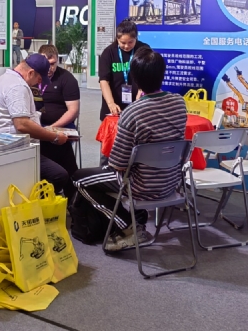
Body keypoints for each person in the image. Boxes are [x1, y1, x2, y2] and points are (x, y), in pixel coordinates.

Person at [72, 47, 187, 251]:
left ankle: (128, 225)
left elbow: (117, 165)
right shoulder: (179, 103)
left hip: (140, 187)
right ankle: (135, 218)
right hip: (171, 183)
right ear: (162, 74)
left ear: (135, 79)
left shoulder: (132, 112)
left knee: (79, 179)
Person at [0, 54, 74, 199]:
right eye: (39, 79)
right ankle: (40, 204)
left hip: (16, 141)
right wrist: (53, 137)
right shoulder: (17, 87)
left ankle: (74, 201)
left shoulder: (7, 77)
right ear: (31, 73)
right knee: (59, 175)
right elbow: (22, 125)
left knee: (64, 150)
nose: (38, 84)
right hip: (14, 147)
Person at [36, 44, 80, 176]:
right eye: (47, 64)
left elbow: (73, 111)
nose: (50, 68)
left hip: (61, 125)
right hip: (36, 123)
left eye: (53, 63)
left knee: (53, 143)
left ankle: (59, 177)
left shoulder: (67, 79)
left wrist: (51, 128)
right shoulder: (32, 77)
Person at [98, 19, 150, 120]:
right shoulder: (108, 53)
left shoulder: (143, 50)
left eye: (130, 42)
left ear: (136, 38)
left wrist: (141, 90)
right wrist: (111, 103)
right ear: (117, 39)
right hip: (114, 107)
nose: (126, 46)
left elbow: (148, 74)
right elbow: (104, 81)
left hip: (137, 105)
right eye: (123, 42)